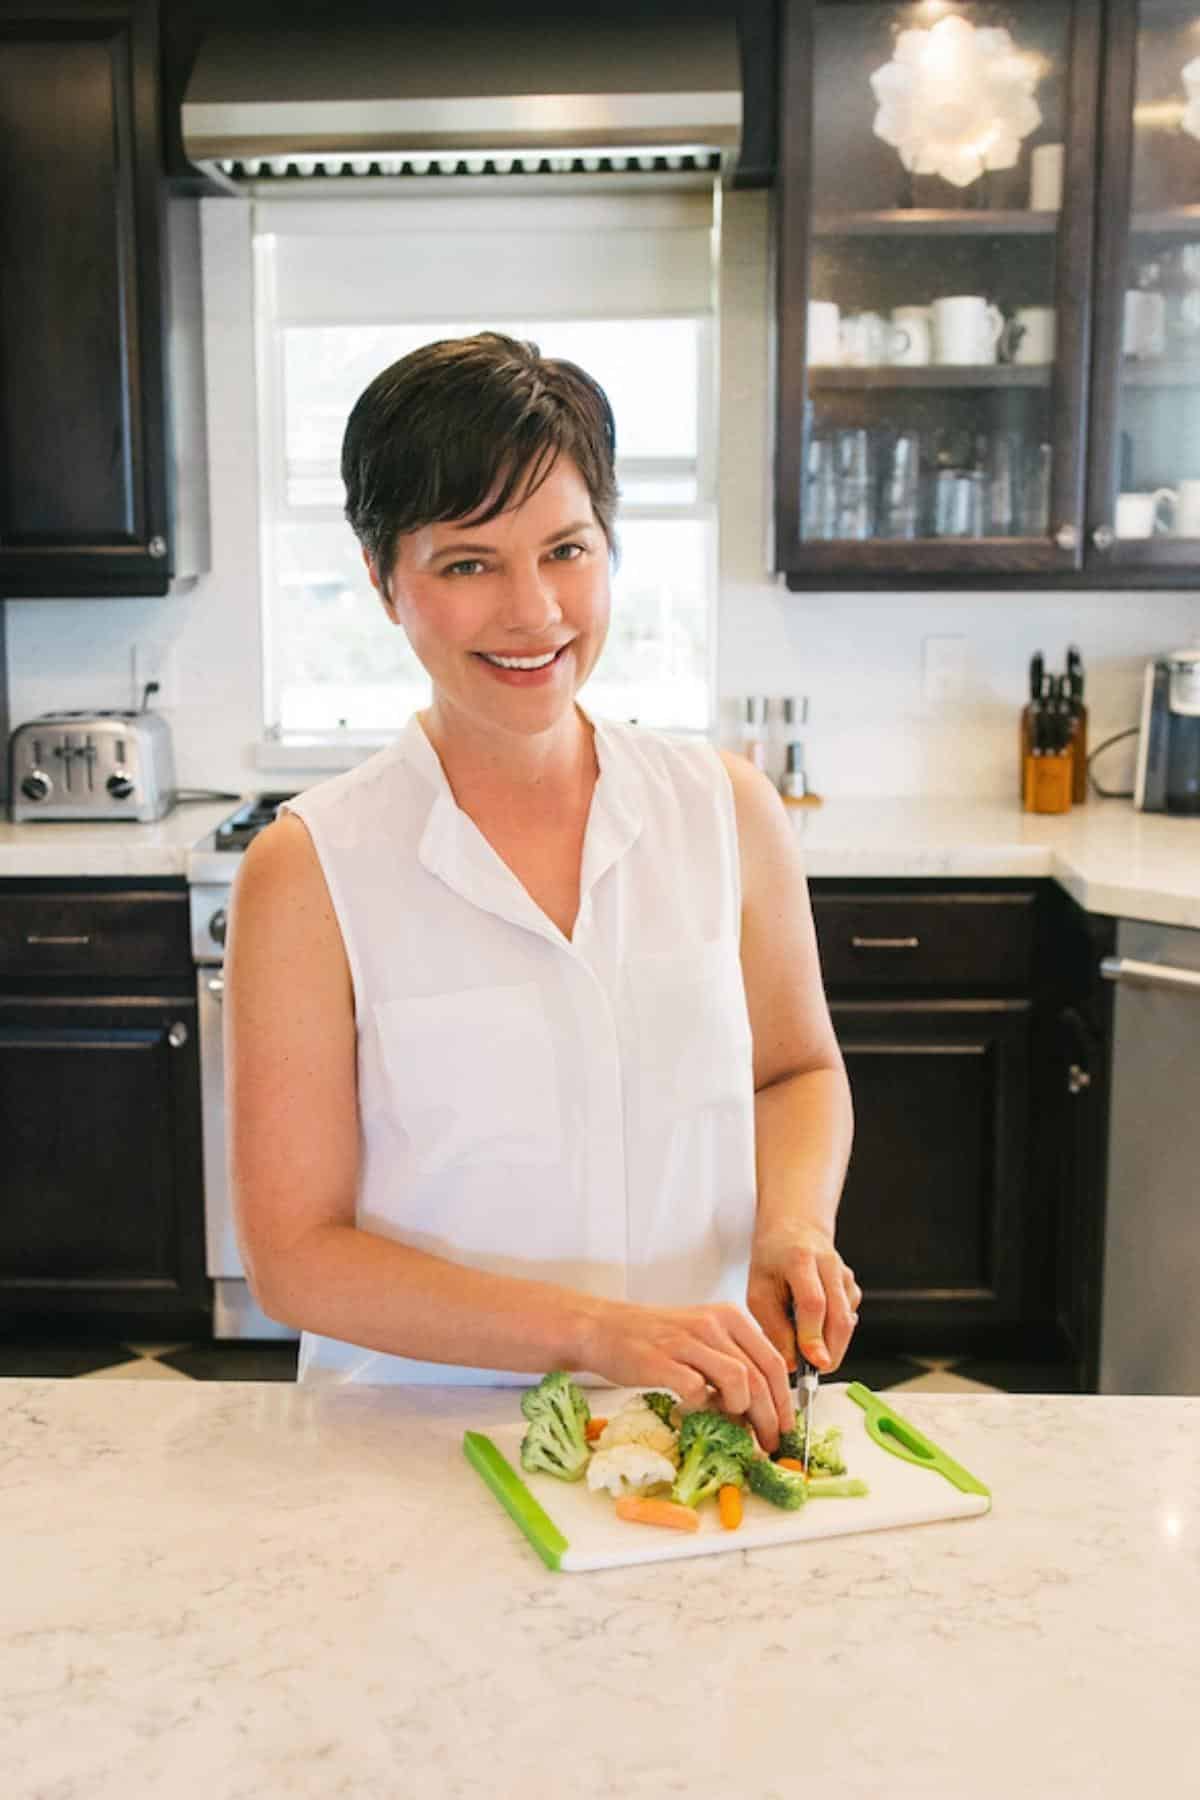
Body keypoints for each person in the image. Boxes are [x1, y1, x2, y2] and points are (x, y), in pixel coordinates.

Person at [226, 331, 858, 1451]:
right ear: (383, 580)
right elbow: (298, 1255)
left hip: (688, 1434)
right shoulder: (310, 869)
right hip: (411, 1443)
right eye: (468, 563)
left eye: (566, 549)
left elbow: (795, 1071)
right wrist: (598, 1334)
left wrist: (792, 1226)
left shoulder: (726, 811)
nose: (535, 611)